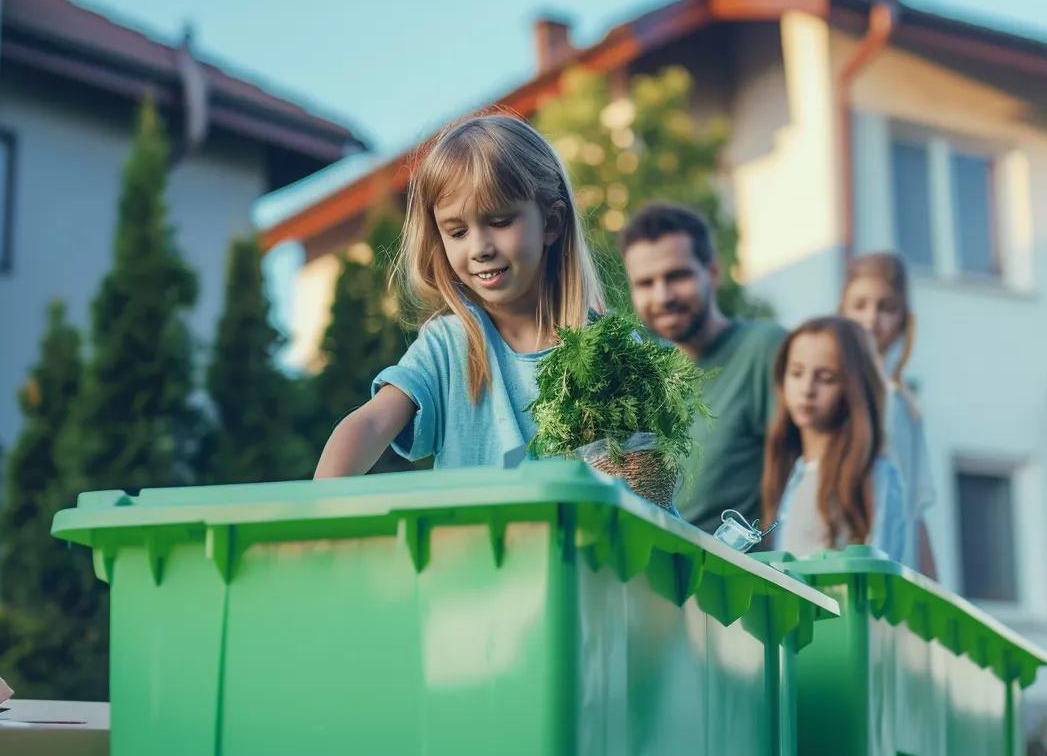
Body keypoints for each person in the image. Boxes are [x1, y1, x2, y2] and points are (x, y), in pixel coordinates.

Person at [314, 114, 604, 476]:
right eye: (457, 232)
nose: (479, 248)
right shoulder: (446, 347)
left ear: (552, 222)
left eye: (499, 223)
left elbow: (646, 475)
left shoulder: (608, 348)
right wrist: (320, 510)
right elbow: (370, 424)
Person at [620, 203, 785, 532]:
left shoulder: (765, 349)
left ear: (713, 272)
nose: (662, 296)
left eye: (677, 276)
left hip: (737, 573)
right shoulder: (643, 373)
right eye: (645, 283)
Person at [760, 316, 910, 563]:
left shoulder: (877, 477)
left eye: (826, 377)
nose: (807, 389)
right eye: (796, 373)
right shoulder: (789, 473)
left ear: (854, 386)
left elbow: (882, 581)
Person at [839, 252, 938, 576]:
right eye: (860, 305)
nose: (871, 319)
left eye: (886, 307)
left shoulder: (905, 404)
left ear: (903, 319)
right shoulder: (828, 394)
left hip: (896, 573)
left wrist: (934, 592)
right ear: (842, 309)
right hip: (841, 566)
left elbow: (916, 510)